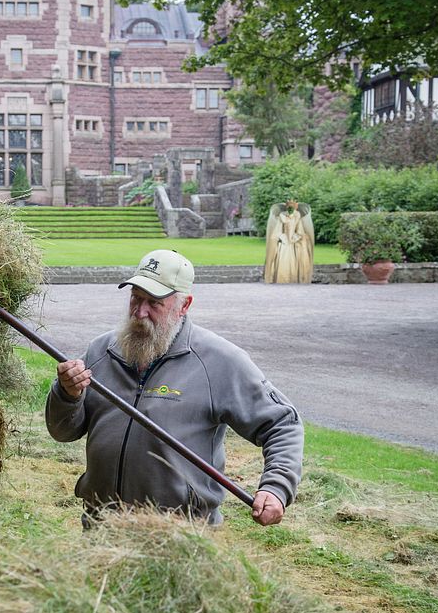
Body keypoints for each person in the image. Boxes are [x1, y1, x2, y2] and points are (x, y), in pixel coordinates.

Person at [45, 249, 303, 527]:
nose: (140, 312)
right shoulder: (101, 351)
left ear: (184, 305)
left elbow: (282, 424)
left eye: (154, 303)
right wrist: (67, 395)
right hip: (101, 526)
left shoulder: (218, 361)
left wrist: (275, 487)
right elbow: (62, 432)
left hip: (178, 534)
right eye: (136, 298)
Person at [264, 199, 315, 284]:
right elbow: (278, 228)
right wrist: (281, 236)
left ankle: (295, 277)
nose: (290, 208)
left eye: (292, 207)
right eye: (289, 207)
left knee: (302, 247)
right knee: (282, 251)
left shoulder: (297, 215)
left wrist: (297, 237)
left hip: (294, 239)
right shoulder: (282, 215)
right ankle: (281, 278)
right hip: (284, 239)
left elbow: (299, 229)